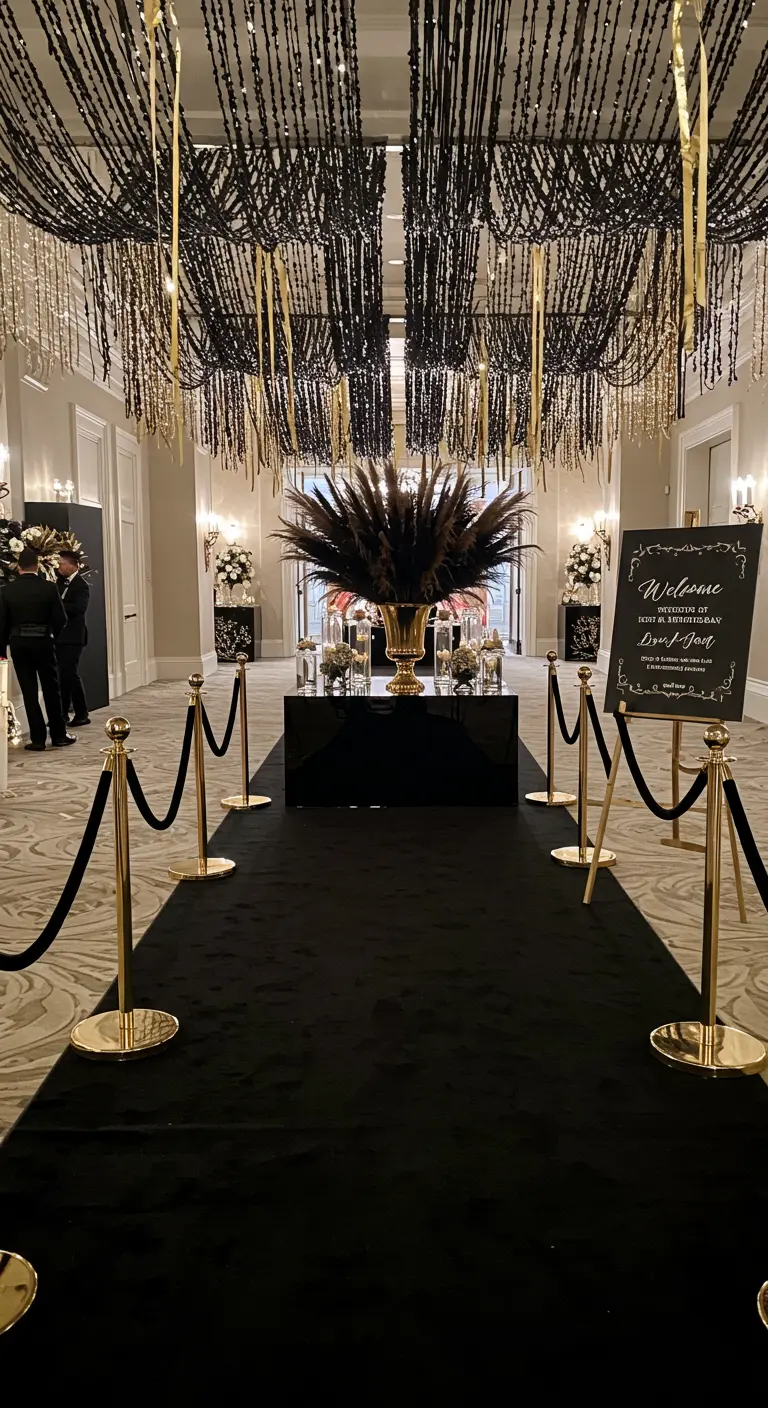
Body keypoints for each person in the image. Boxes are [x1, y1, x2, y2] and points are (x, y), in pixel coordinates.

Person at [0, 546, 75, 750]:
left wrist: (2, 649)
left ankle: (38, 739)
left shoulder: (7, 590)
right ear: (37, 566)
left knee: (29, 691)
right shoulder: (49, 588)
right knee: (52, 688)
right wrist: (51, 636)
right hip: (43, 641)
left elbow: (2, 623)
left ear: (19, 568)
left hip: (19, 643)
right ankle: (59, 735)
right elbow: (61, 619)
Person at [56, 548, 91, 726]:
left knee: (68, 675)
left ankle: (78, 713)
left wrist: (59, 604)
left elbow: (78, 609)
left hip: (73, 637)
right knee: (67, 675)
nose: (59, 567)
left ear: (73, 565)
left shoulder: (81, 585)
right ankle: (69, 713)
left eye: (61, 564)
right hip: (59, 637)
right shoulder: (58, 583)